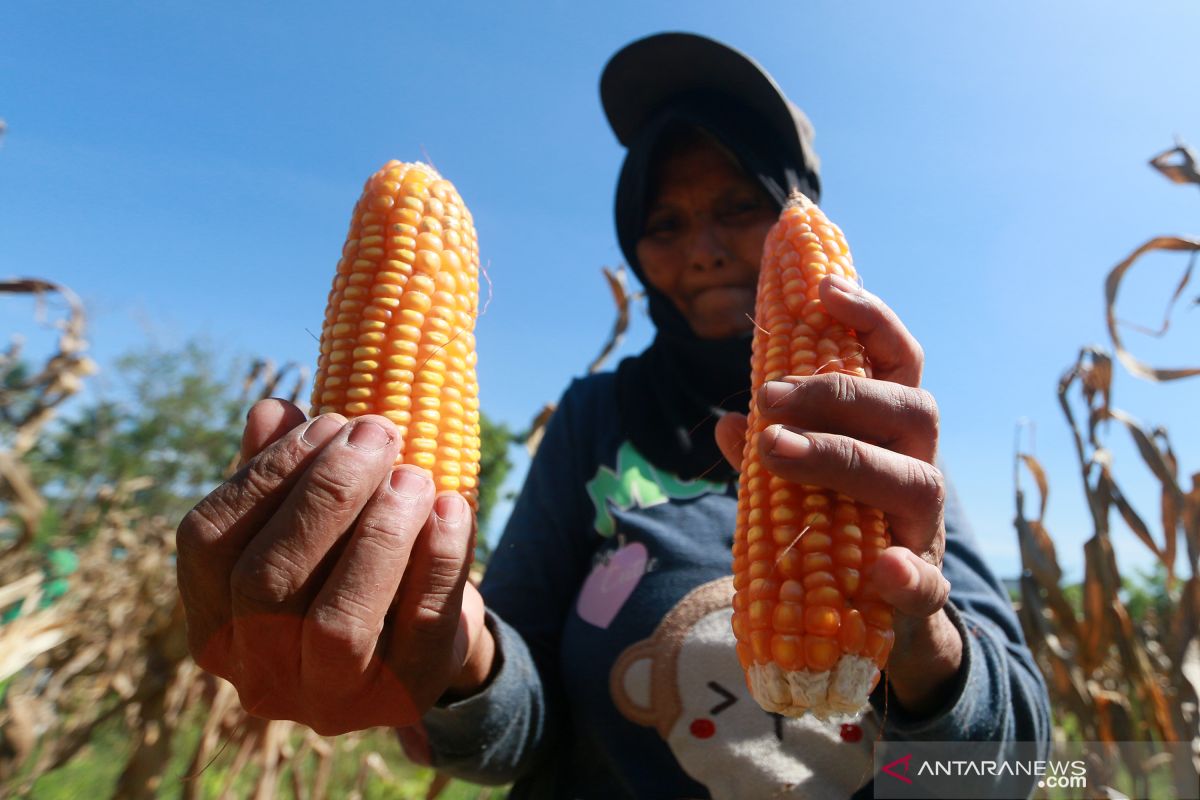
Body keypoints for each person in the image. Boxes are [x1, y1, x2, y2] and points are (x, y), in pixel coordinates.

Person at [177, 32, 1051, 799]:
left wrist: (924, 642)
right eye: (662, 220)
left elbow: (1015, 768)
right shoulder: (597, 418)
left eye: (739, 206)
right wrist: (446, 660)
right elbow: (521, 725)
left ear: (794, 202)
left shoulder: (879, 443)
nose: (702, 246)